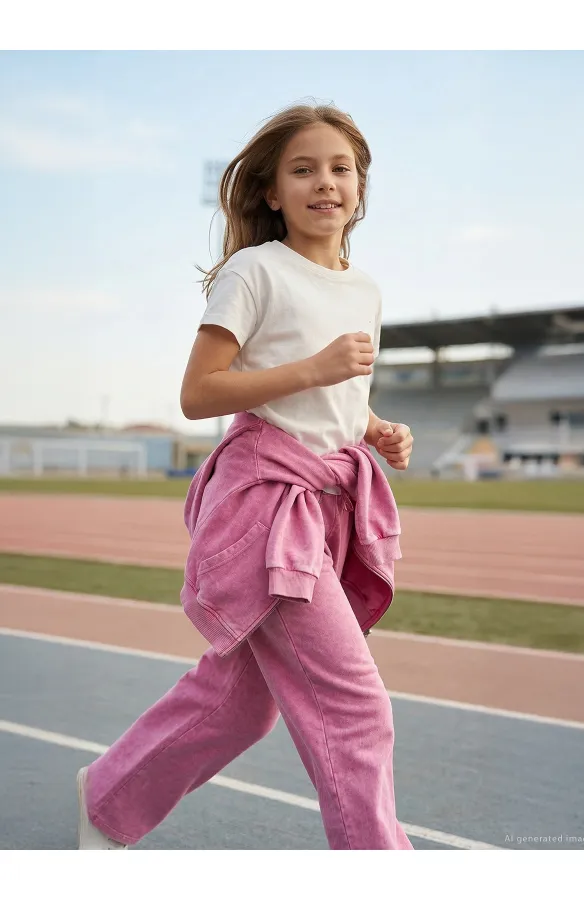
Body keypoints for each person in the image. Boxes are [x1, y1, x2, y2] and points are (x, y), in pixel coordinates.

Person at [76, 102, 415, 851]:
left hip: (328, 506)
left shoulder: (366, 289)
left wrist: (374, 425)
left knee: (237, 703)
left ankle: (107, 799)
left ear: (360, 185)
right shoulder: (252, 270)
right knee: (358, 707)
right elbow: (200, 393)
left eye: (340, 168)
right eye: (303, 169)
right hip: (265, 506)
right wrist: (317, 367)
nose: (324, 183)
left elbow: (336, 397)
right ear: (271, 191)